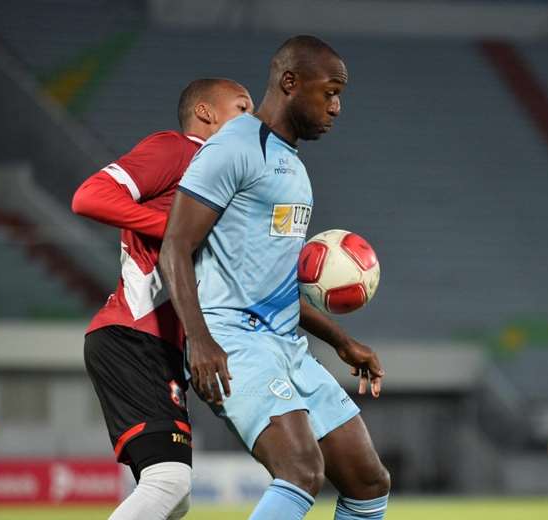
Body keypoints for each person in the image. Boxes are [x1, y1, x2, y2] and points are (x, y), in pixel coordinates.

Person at [159, 36, 391, 520]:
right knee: (301, 471)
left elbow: (275, 285)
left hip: (286, 345)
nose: (337, 107)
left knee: (369, 482)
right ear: (290, 83)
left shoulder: (294, 168)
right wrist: (200, 341)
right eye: (329, 92)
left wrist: (342, 342)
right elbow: (175, 247)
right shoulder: (234, 147)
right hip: (233, 343)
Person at [71, 78, 254, 520]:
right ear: (206, 113)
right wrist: (172, 228)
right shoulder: (178, 149)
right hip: (133, 333)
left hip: (164, 347)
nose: (254, 119)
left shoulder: (223, 181)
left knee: (176, 497)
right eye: (243, 108)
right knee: (169, 482)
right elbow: (89, 196)